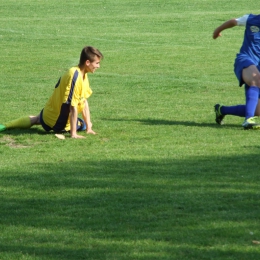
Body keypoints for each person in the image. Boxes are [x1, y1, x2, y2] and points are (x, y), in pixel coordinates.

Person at [0, 46, 103, 138]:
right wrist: (74, 134)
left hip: (50, 112)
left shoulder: (82, 74)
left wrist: (89, 127)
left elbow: (83, 101)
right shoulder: (75, 76)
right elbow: (72, 106)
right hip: (58, 121)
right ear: (87, 62)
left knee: (36, 119)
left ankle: (5, 126)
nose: (98, 66)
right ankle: (75, 127)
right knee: (82, 125)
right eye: (97, 63)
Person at [213, 14, 260, 129]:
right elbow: (234, 22)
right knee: (256, 78)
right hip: (245, 59)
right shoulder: (251, 19)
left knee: (257, 110)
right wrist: (218, 30)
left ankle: (221, 110)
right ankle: (248, 120)